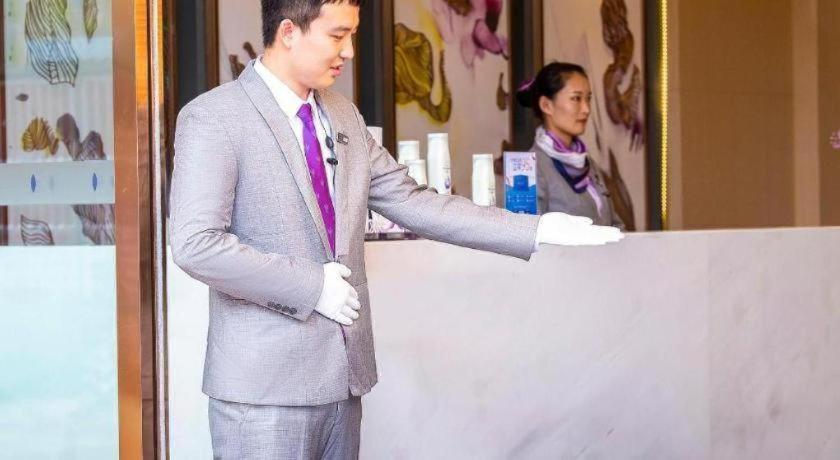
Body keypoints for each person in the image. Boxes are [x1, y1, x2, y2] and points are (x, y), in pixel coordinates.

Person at [169, 1, 623, 458]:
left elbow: (412, 200)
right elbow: (196, 245)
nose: (349, 51)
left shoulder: (341, 114)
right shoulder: (215, 117)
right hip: (263, 391)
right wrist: (311, 286)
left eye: (352, 35)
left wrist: (534, 228)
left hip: (344, 381)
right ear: (289, 32)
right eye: (337, 35)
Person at [516, 62, 625, 229]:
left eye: (588, 99)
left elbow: (615, 225)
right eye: (576, 98)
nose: (586, 109)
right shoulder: (525, 169)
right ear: (546, 105)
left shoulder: (587, 163)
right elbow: (525, 234)